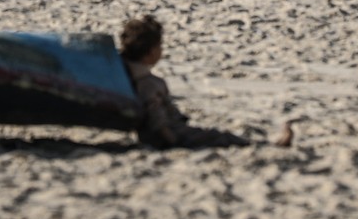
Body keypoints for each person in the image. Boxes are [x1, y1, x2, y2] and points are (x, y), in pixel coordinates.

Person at [120, 15, 292, 149]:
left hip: (161, 132)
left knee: (216, 136)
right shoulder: (149, 83)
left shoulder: (126, 75)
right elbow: (155, 116)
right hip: (172, 133)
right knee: (222, 137)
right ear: (151, 52)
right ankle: (270, 145)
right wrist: (171, 140)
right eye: (160, 46)